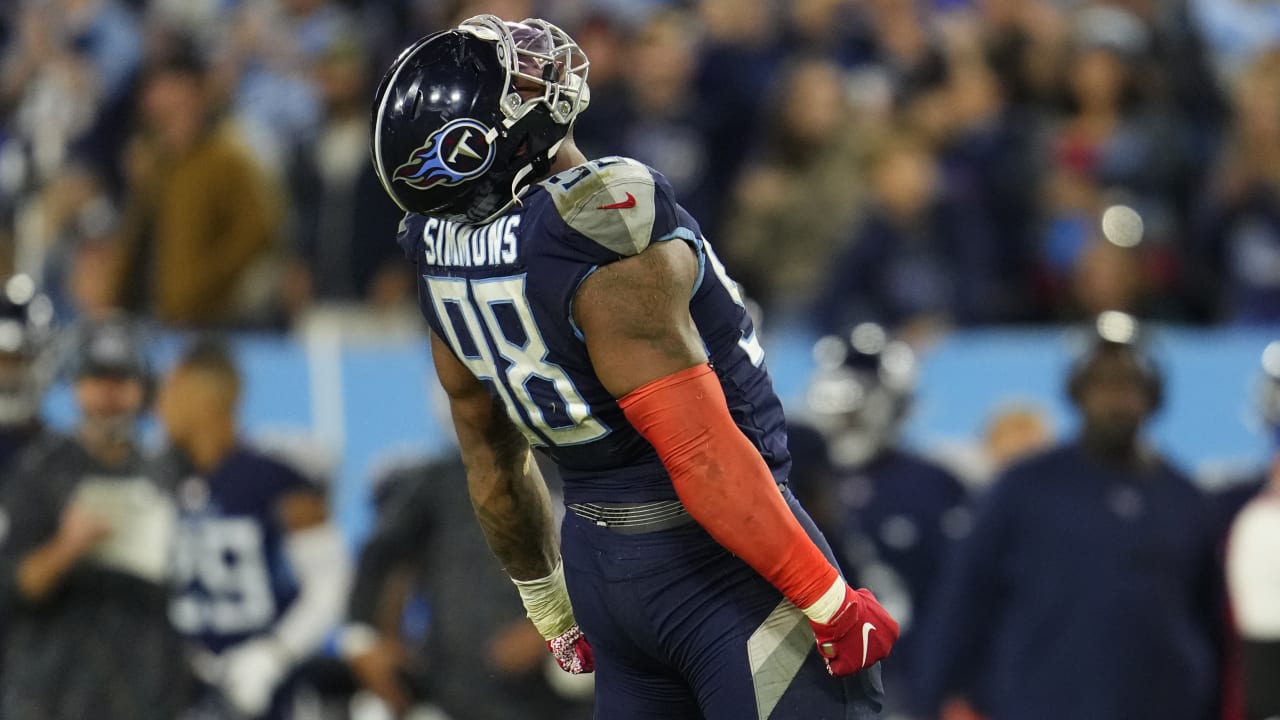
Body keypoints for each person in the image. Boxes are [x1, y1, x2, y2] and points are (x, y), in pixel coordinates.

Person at [369, 15, 898, 719]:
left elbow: (494, 470)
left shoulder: (436, 258)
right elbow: (700, 452)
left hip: (601, 565)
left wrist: (553, 612)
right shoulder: (598, 221)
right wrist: (830, 600)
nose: (533, 75)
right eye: (511, 87)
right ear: (477, 148)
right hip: (717, 562)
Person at [920, 311, 1222, 720]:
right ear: (1077, 391)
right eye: (1102, 385)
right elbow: (965, 601)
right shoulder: (1021, 488)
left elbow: (1211, 623)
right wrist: (939, 696)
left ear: (1153, 395)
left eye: (1128, 385)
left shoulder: (1186, 500)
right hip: (1037, 706)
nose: (1115, 399)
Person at [0, 316, 192, 720]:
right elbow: (16, 588)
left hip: (142, 688)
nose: (108, 394)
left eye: (120, 380)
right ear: (77, 386)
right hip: (51, 689)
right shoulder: (40, 470)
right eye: (98, 379)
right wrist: (68, 546)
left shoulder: (168, 472)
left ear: (142, 389)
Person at [157, 338, 350, 720]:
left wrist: (273, 654)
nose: (161, 406)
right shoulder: (156, 477)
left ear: (206, 399)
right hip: (180, 687)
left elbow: (332, 584)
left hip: (268, 691)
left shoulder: (276, 480)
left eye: (172, 391)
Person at [789, 324, 970, 720]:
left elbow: (960, 599)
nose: (848, 416)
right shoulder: (794, 476)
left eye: (859, 405)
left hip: (910, 679)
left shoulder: (935, 485)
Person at [340, 451, 592, 720]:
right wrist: (363, 639)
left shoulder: (594, 475)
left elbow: (624, 568)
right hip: (451, 691)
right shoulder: (439, 480)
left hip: (561, 697)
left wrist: (564, 622)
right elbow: (383, 555)